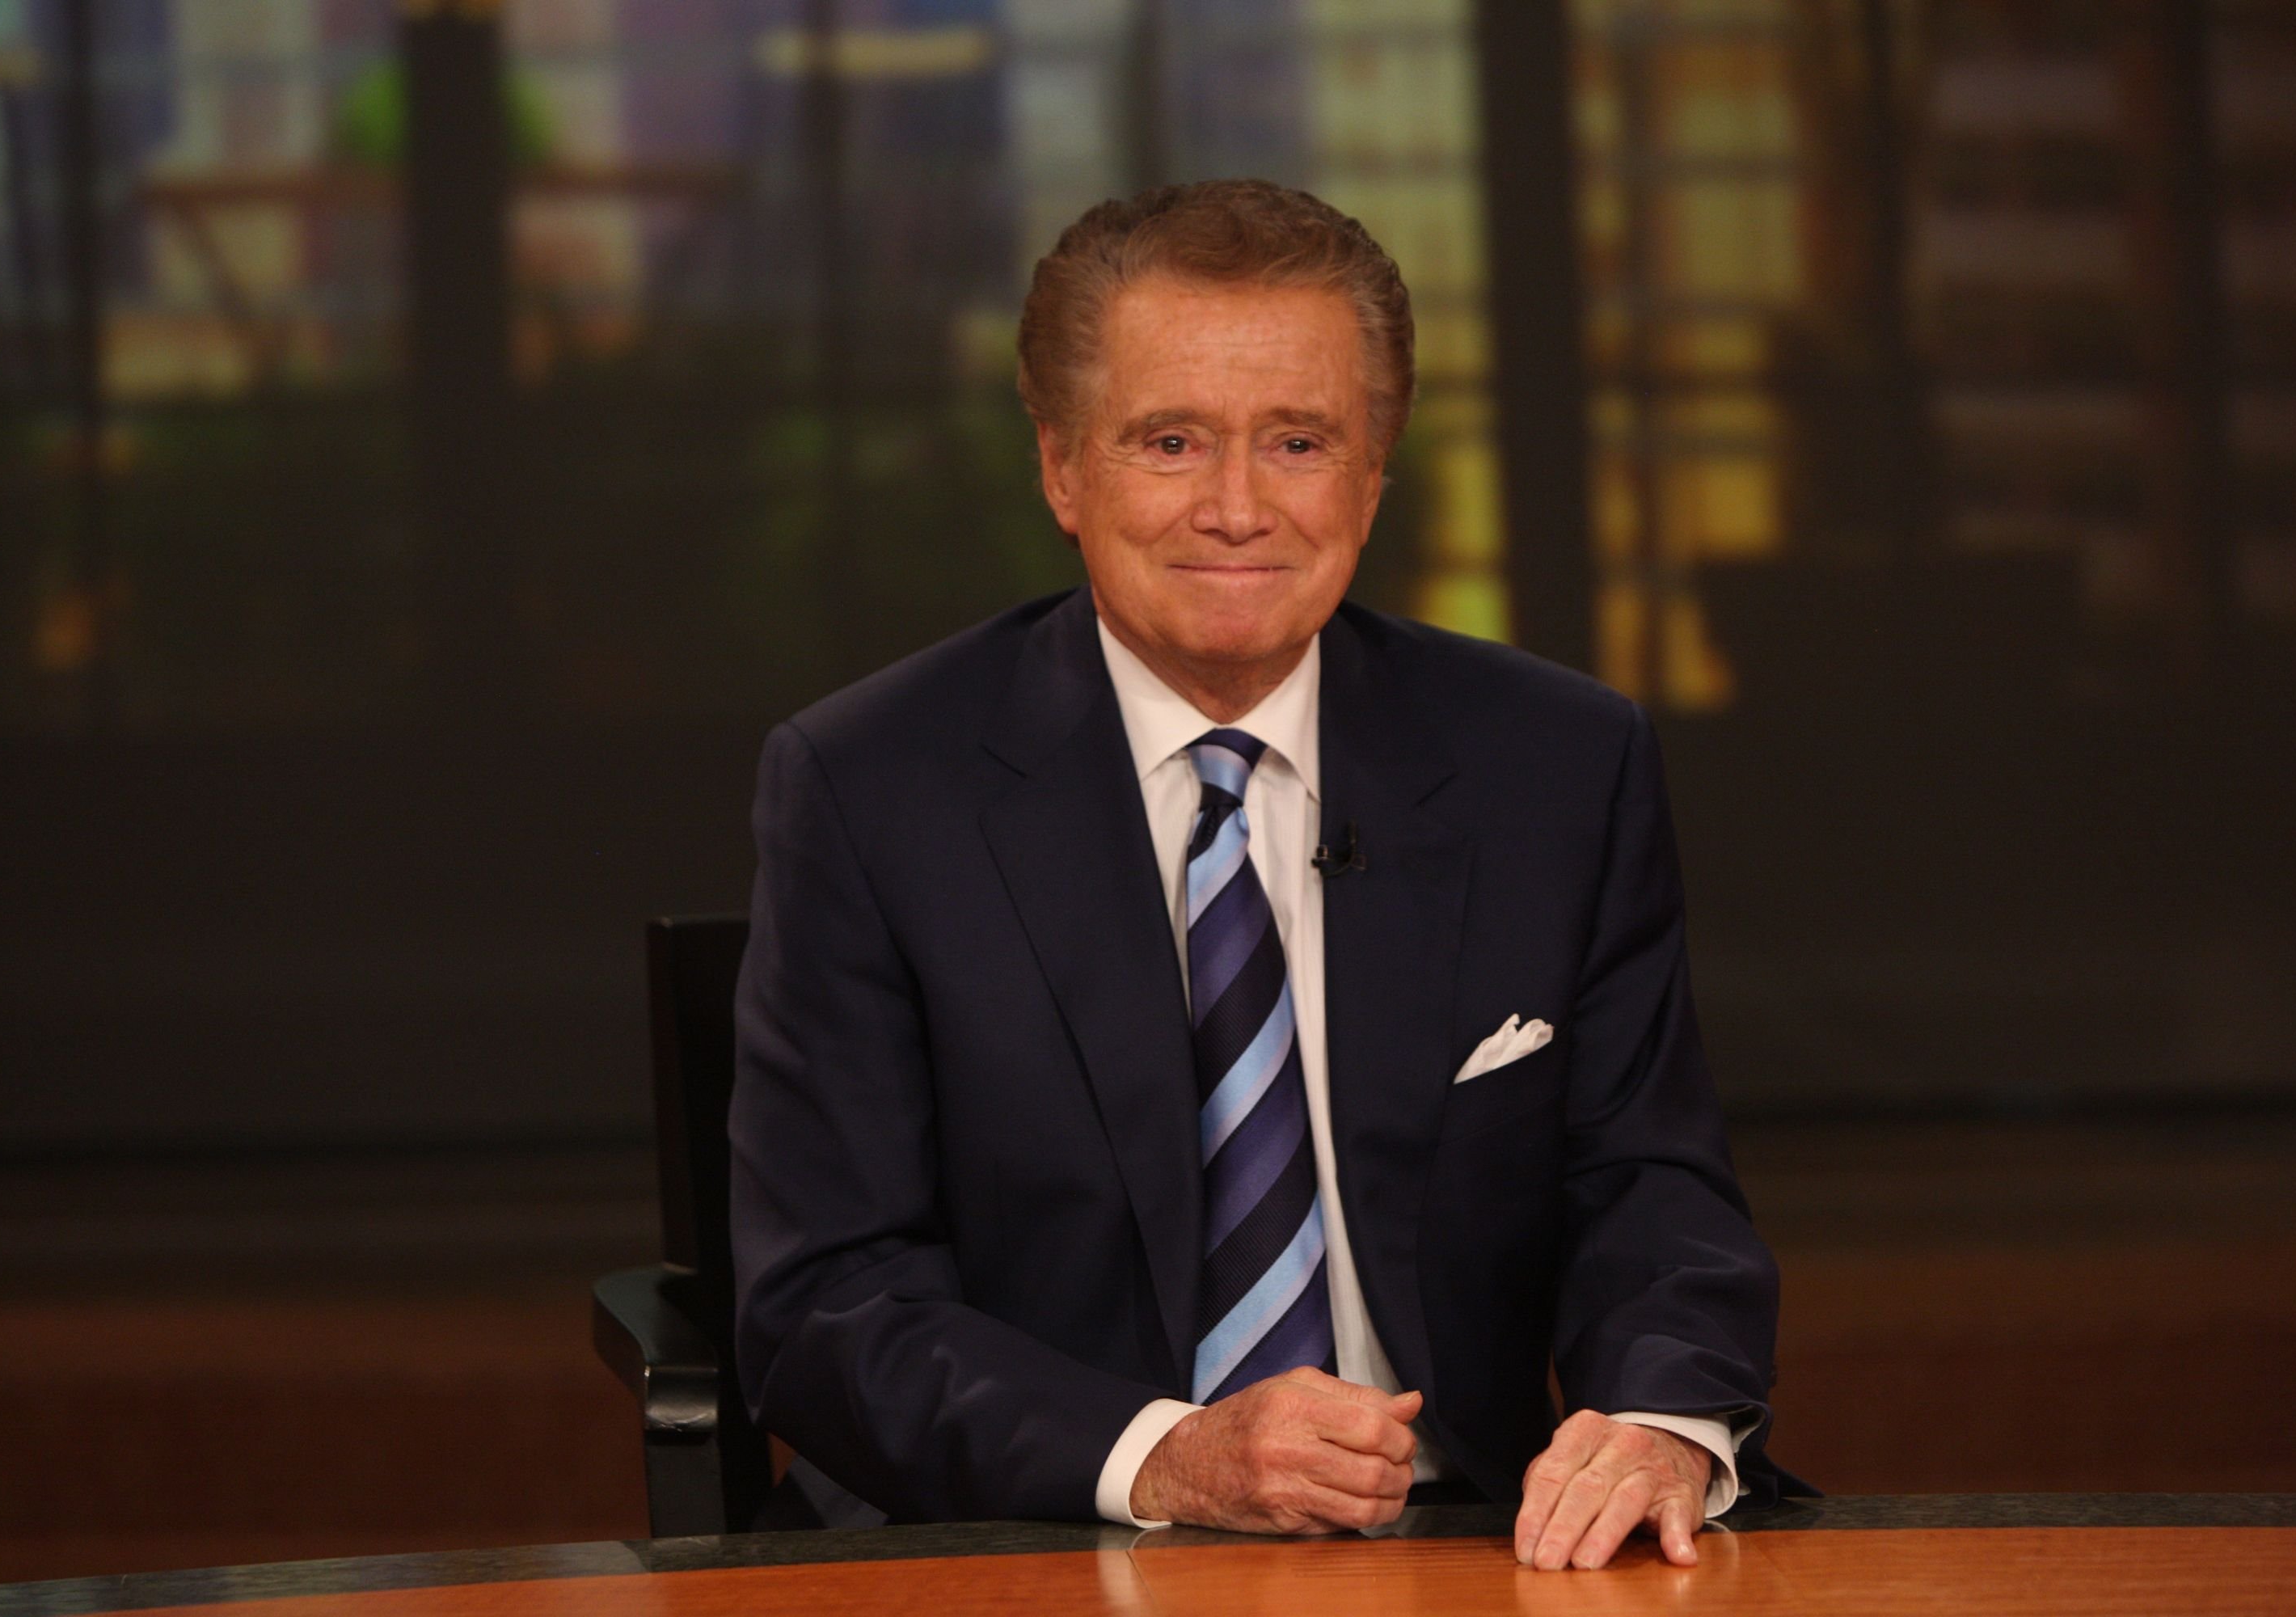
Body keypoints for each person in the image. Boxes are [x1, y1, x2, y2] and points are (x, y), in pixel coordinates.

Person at [730, 179, 1794, 1571]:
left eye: (1299, 441)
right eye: (1171, 441)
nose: (1237, 509)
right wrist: (1169, 1455)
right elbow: (826, 1301)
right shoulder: (873, 788)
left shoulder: (1557, 765)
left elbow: (1649, 1186)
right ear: (1062, 468)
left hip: (1471, 1545)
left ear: (1375, 472)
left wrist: (1659, 1418)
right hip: (1038, 1542)